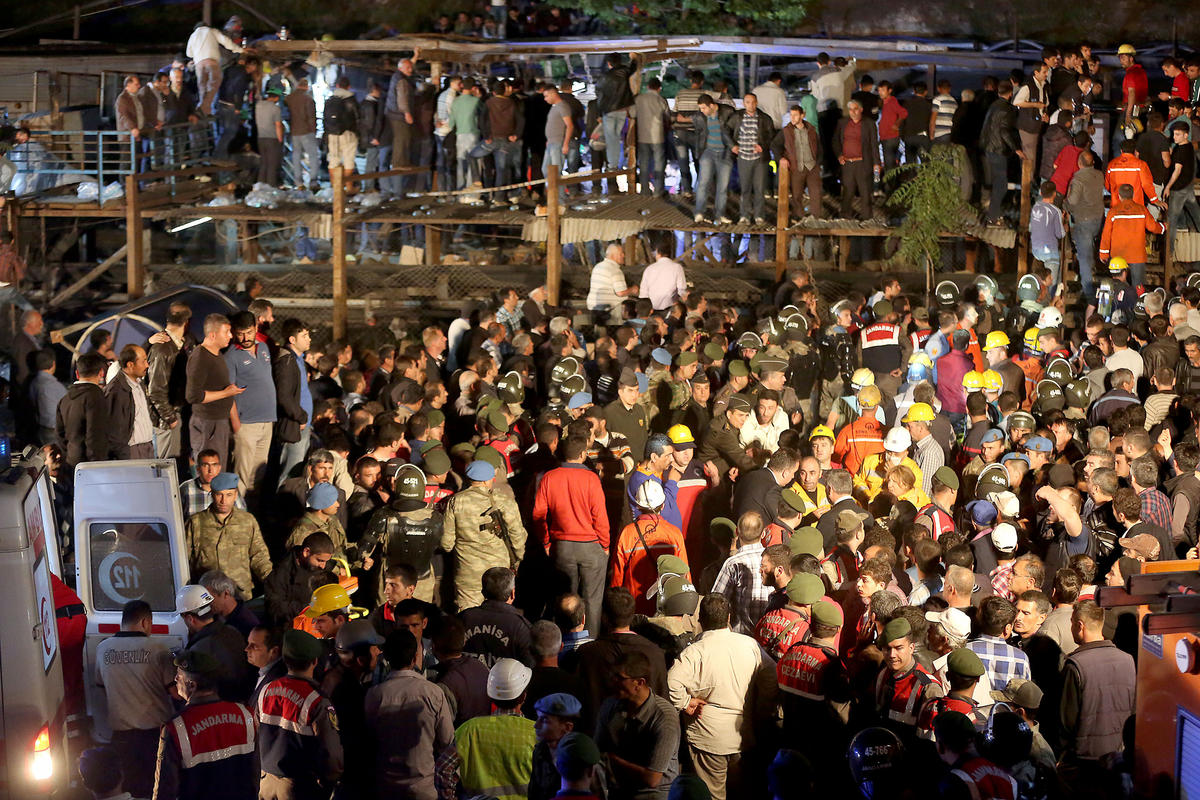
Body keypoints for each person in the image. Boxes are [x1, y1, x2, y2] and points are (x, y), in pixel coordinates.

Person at [667, 594, 776, 800]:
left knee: (712, 796)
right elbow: (771, 676)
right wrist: (761, 707)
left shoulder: (694, 652)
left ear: (701, 621)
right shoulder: (750, 645)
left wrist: (686, 702)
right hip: (743, 736)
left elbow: (672, 682)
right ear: (728, 618)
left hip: (708, 739)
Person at [95, 600, 176, 799]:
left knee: (129, 789)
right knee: (158, 789)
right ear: (145, 622)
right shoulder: (158, 648)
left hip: (121, 737)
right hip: (156, 736)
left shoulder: (103, 648)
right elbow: (175, 692)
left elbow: (101, 687)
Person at [152, 650, 257, 800]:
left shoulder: (175, 728)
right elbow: (256, 771)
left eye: (179, 675)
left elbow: (165, 789)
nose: (175, 679)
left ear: (192, 685)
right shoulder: (246, 714)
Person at [365, 629, 456, 800]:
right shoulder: (433, 693)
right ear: (415, 657)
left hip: (386, 788)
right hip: (424, 789)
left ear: (387, 659)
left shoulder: (374, 695)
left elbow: (370, 741)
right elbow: (447, 742)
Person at [533, 434, 611, 630]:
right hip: (591, 547)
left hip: (562, 547)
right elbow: (600, 516)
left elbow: (538, 515)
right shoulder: (591, 479)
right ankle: (590, 645)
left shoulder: (549, 477)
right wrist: (605, 544)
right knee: (592, 601)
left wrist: (546, 543)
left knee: (564, 602)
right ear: (583, 454)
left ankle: (562, 644)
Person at [256, 630, 344, 798]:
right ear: (314, 661)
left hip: (266, 783)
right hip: (298, 788)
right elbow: (331, 755)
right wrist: (331, 781)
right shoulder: (317, 701)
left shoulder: (266, 690)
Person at [440, 460, 528, 611]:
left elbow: (446, 543)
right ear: (489, 479)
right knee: (499, 615)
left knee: (468, 616)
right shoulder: (505, 501)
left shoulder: (455, 501)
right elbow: (517, 536)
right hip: (498, 573)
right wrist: (519, 558)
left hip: (468, 573)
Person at [1059, 599, 1136, 767]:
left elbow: (1066, 721)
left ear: (1080, 625)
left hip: (1083, 761)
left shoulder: (1075, 666)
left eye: (1071, 623)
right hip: (1117, 757)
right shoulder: (1128, 661)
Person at [595, 651, 680, 800]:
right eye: (612, 676)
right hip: (619, 790)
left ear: (639, 683)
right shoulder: (611, 706)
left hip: (653, 794)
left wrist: (611, 759)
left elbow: (652, 779)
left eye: (619, 678)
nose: (612, 681)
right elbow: (597, 749)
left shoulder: (664, 717)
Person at [452, 658, 538, 800]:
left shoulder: (469, 730)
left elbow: (443, 771)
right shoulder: (535, 733)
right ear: (523, 696)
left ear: (490, 694)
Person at [185, 472, 272, 602]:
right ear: (212, 494)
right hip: (207, 596)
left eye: (229, 495)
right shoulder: (196, 522)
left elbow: (259, 556)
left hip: (240, 595)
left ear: (236, 495)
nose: (223, 501)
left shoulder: (247, 521)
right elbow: (185, 560)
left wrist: (272, 582)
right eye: (219, 494)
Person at [185, 314, 243, 466]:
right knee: (210, 471)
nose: (231, 336)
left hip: (220, 422)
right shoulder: (200, 357)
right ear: (212, 335)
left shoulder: (217, 355)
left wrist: (234, 419)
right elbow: (193, 395)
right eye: (227, 332)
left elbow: (225, 387)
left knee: (221, 468)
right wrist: (226, 393)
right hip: (208, 423)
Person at [273, 318, 313, 486]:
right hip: (295, 425)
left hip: (303, 425)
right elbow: (284, 397)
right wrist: (300, 417)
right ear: (292, 339)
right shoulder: (287, 361)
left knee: (296, 470)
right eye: (304, 335)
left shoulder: (298, 359)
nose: (309, 339)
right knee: (289, 473)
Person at [726, 92, 776, 225]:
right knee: (745, 188)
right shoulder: (737, 117)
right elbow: (726, 130)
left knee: (759, 188)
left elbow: (772, 136)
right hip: (743, 157)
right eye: (748, 102)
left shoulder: (765, 118)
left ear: (757, 103)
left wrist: (764, 146)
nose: (751, 105)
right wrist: (732, 146)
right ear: (743, 104)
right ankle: (745, 215)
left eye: (753, 102)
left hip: (760, 159)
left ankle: (759, 215)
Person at [56, 352, 109, 470]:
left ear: (77, 374)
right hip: (90, 465)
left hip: (71, 460)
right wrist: (97, 465)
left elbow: (59, 434)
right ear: (101, 373)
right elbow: (95, 435)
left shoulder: (65, 399)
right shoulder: (95, 397)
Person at [774, 105, 822, 220]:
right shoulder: (786, 131)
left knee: (816, 194)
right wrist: (781, 158)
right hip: (796, 167)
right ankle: (799, 218)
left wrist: (818, 163)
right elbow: (775, 145)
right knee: (796, 195)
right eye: (791, 115)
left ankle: (815, 218)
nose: (792, 118)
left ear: (802, 115)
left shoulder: (811, 130)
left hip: (811, 166)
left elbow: (819, 147)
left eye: (795, 115)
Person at [833, 99, 879, 220]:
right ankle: (845, 216)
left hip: (863, 162)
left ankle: (867, 218)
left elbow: (874, 144)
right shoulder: (842, 123)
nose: (853, 112)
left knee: (865, 192)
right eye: (851, 110)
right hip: (847, 163)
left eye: (855, 109)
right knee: (848, 191)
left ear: (861, 109)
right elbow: (835, 141)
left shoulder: (869, 124)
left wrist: (876, 163)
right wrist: (839, 155)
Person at [639, 233, 687, 312]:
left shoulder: (649, 269)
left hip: (651, 309)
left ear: (658, 253)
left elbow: (643, 293)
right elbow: (682, 290)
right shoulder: (677, 267)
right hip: (670, 309)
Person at [255, 86, 285, 187]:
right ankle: (271, 187)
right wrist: (280, 139)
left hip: (260, 138)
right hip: (272, 139)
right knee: (272, 165)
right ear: (276, 98)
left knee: (263, 163)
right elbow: (278, 125)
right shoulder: (275, 108)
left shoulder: (258, 105)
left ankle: (260, 186)